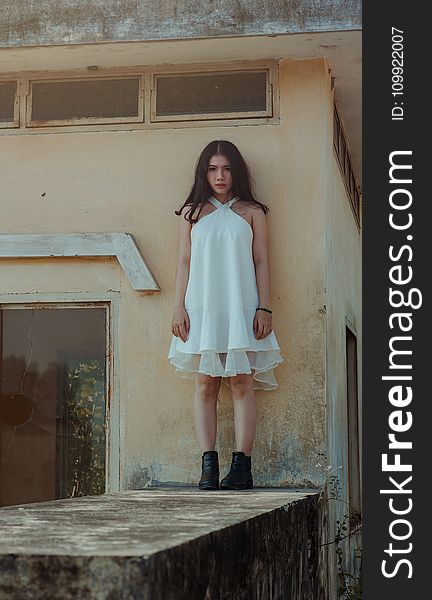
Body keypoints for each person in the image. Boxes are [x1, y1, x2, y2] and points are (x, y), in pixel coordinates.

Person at [168, 140, 284, 491]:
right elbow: (184, 262)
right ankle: (208, 467)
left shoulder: (252, 212)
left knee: (241, 381)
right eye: (213, 169)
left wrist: (264, 307)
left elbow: (261, 260)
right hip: (202, 306)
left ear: (237, 172)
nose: (220, 176)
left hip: (241, 306)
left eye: (227, 168)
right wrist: (178, 306)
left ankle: (242, 468)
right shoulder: (192, 213)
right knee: (205, 383)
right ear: (204, 172)